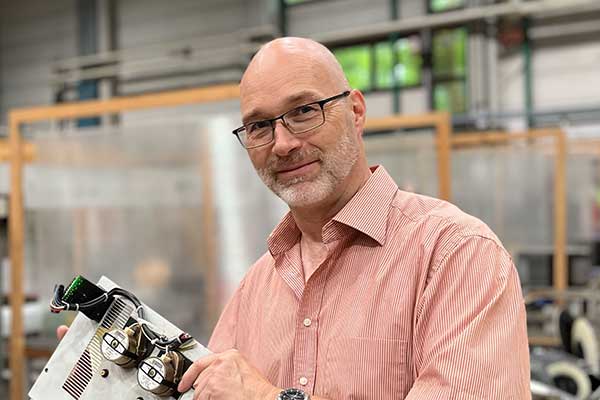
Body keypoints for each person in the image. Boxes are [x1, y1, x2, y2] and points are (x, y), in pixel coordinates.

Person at [60, 37, 531, 399]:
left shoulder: (454, 255)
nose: (283, 144)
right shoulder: (256, 288)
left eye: (304, 111)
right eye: (260, 126)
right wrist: (117, 378)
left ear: (356, 110)